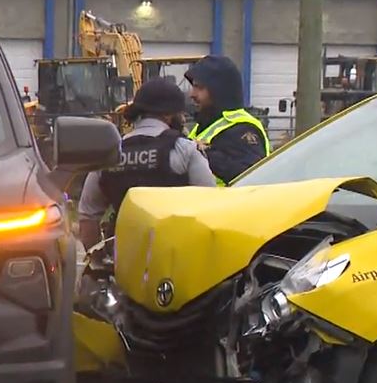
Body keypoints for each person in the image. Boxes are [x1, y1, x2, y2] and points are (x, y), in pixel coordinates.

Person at [77, 78, 218, 249]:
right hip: (174, 258)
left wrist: (98, 259)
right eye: (180, 114)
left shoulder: (109, 154)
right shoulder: (184, 149)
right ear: (168, 115)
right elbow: (211, 205)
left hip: (122, 259)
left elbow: (87, 218)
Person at [184, 55, 271, 184]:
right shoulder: (205, 125)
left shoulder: (243, 128)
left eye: (199, 87)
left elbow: (251, 175)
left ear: (218, 91)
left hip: (228, 204)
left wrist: (202, 152)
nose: (192, 94)